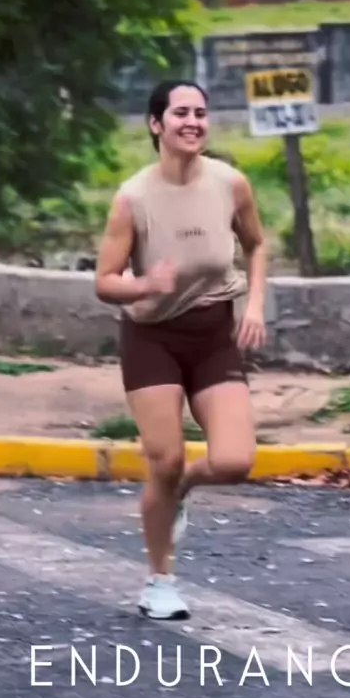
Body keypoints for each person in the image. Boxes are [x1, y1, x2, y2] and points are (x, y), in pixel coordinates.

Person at [95, 79, 267, 620]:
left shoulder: (230, 183)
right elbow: (105, 281)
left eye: (200, 113)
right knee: (165, 459)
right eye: (180, 113)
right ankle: (159, 581)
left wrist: (255, 307)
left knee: (234, 462)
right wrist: (146, 285)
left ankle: (186, 485)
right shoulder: (133, 198)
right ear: (156, 124)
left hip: (214, 335)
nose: (193, 122)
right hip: (153, 338)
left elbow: (257, 244)